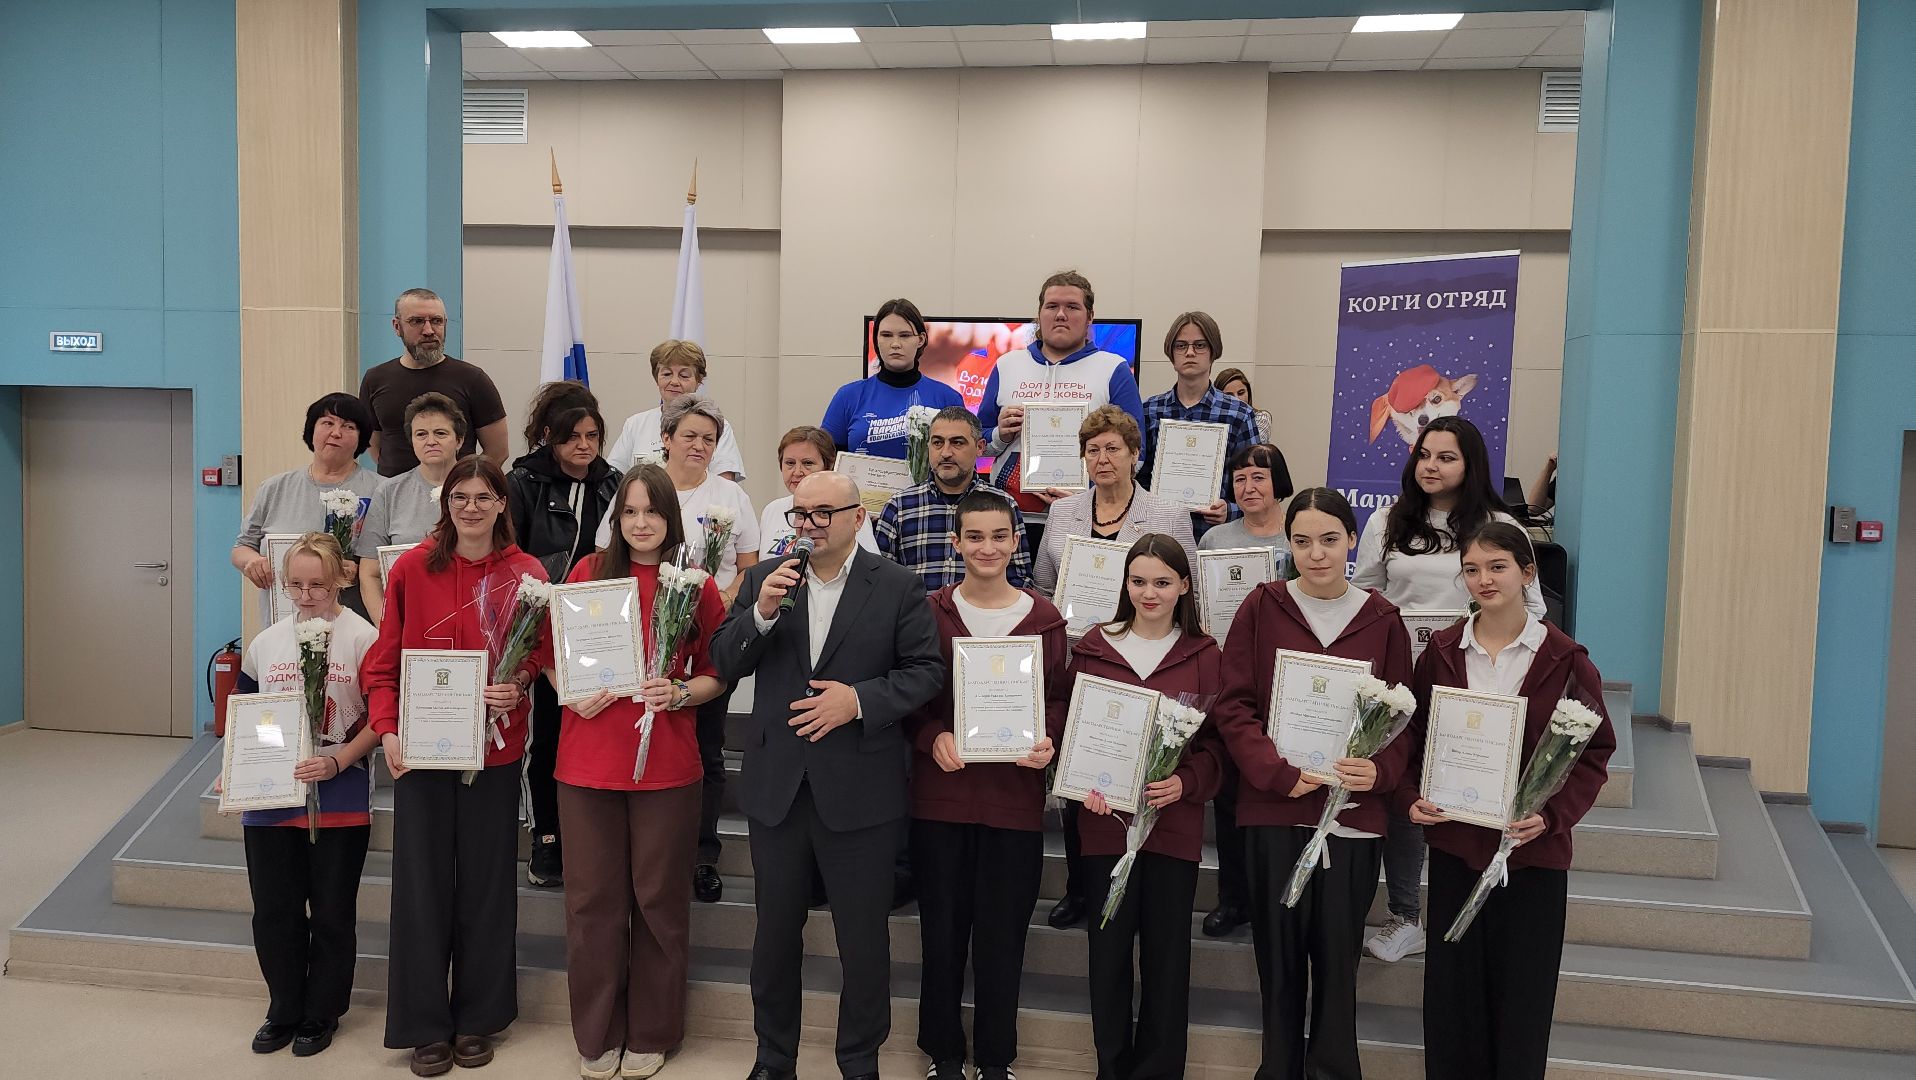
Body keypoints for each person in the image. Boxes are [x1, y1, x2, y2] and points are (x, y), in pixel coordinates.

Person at [711, 471, 944, 1080]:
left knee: (862, 941)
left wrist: (858, 701)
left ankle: (859, 1060)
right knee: (774, 936)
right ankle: (773, 1057)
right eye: (800, 514)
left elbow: (925, 672)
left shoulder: (896, 585)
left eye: (823, 513)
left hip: (861, 790)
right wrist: (760, 615)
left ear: (857, 518)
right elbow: (724, 660)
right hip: (778, 789)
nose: (809, 525)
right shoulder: (766, 580)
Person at [1212, 487, 1414, 1080]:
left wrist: (1381, 771)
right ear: (1289, 544)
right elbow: (1234, 704)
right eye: (1302, 542)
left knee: (1337, 958)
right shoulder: (1262, 606)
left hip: (1351, 817)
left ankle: (1333, 1070)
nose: (1317, 554)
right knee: (1277, 957)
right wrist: (1275, 772)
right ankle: (1277, 1069)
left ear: (1352, 540)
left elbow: (1405, 718)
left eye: (1329, 540)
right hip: (1275, 809)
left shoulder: (1383, 619)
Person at [1400, 522, 1614, 1080]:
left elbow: (1593, 753)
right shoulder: (1442, 652)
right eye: (1472, 569)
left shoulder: (1567, 660)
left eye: (1497, 567)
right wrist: (1411, 796)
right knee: (1452, 1001)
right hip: (1457, 849)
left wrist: (1552, 817)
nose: (1484, 580)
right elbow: (1414, 740)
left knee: (1522, 1003)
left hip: (1532, 858)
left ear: (1527, 572)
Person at [539, 465, 728, 1080]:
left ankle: (652, 1030)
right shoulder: (588, 574)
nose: (641, 523)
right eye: (630, 512)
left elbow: (717, 673)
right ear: (615, 518)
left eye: (653, 511)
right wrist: (569, 690)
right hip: (587, 765)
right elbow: (550, 657)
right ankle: (597, 1032)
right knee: (591, 904)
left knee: (658, 902)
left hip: (667, 768)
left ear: (671, 518)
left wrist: (679, 693)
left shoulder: (695, 583)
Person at [362, 457, 547, 1077]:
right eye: (459, 497)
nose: (471, 507)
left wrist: (518, 682)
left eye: (483, 496)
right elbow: (383, 662)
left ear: (502, 504)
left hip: (494, 752)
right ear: (446, 505)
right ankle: (423, 1023)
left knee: (487, 884)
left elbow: (540, 654)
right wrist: (387, 729)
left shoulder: (526, 574)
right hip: (422, 752)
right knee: (422, 886)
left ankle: (478, 1017)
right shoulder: (413, 568)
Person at [1352, 415, 1545, 964]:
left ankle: (1470, 907)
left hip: (1473, 681)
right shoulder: (1388, 520)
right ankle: (1405, 914)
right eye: (1424, 455)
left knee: (1460, 793)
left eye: (1446, 457)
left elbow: (1532, 607)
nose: (1431, 466)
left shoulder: (1497, 523)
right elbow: (1364, 595)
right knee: (1406, 794)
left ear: (1471, 464)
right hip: (1398, 684)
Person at [907, 489, 1068, 1080]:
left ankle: (996, 1058)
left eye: (999, 536)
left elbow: (1059, 699)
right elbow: (908, 697)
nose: (987, 548)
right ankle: (944, 1054)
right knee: (942, 934)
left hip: (1013, 804)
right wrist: (932, 738)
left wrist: (1048, 738)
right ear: (956, 543)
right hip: (941, 800)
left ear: (1016, 541)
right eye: (974, 537)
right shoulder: (928, 612)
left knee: (1003, 939)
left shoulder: (1044, 619)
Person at [1030, 405, 1195, 929]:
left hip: (1147, 661)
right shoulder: (1063, 514)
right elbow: (1044, 586)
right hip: (1082, 660)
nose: (1102, 458)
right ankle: (1082, 887)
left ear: (1134, 455)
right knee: (1081, 776)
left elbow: (1188, 586)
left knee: (1138, 771)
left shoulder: (1167, 513)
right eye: (1093, 449)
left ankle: (1138, 875)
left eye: (1113, 448)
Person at [1071, 534, 1224, 1080]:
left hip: (1173, 830)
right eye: (1138, 581)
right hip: (1103, 828)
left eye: (1162, 582)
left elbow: (1218, 747)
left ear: (1184, 586)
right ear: (1125, 584)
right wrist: (1080, 781)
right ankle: (1111, 1068)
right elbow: (1071, 728)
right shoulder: (1094, 646)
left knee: (1166, 960)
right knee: (1108, 956)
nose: (1149, 593)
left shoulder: (1205, 655)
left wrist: (1187, 781)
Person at [601, 394, 758, 905]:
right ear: (665, 438)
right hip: (634, 647)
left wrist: (715, 597)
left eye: (709, 439)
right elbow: (608, 562)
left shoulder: (731, 496)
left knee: (707, 750)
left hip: (702, 638)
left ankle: (702, 856)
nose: (699, 445)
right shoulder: (638, 488)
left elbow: (749, 566)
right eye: (689, 435)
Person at [228, 533, 380, 1059]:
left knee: (333, 912)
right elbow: (245, 713)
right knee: (274, 911)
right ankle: (284, 1007)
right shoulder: (266, 643)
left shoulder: (364, 638)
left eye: (317, 584)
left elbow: (380, 718)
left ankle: (322, 1011)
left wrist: (338, 760)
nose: (306, 595)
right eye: (295, 585)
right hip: (270, 802)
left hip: (340, 797)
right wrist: (236, 768)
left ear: (341, 580)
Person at [508, 385, 622, 889]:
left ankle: (591, 835)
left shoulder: (614, 483)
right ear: (549, 437)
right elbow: (511, 555)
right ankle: (546, 835)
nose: (584, 446)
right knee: (548, 735)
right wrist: (551, 591)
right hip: (542, 624)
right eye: (573, 437)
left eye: (592, 436)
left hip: (599, 626)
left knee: (594, 727)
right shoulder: (523, 482)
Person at [1195, 441, 1295, 938]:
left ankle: (1278, 898)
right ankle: (1233, 898)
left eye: (1259, 476)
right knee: (1231, 793)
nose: (1248, 486)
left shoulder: (1297, 537)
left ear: (1279, 482)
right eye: (1239, 478)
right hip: (1229, 677)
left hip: (1287, 680)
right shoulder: (1215, 539)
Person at [977, 270, 1145, 522]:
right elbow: (978, 444)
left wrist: (1090, 495)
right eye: (1052, 306)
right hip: (1010, 517)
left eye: (1072, 307)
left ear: (1090, 317)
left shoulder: (1113, 368)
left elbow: (1137, 452)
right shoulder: (1007, 365)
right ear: (1039, 315)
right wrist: (1000, 435)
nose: (1061, 314)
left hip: (1086, 516)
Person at [233, 392, 383, 623]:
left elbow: (394, 561)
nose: (336, 432)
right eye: (327, 423)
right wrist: (252, 562)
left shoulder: (381, 490)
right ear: (311, 430)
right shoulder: (274, 487)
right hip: (285, 621)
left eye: (348, 426)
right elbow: (242, 547)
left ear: (361, 438)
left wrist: (361, 569)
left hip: (356, 624)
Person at [875, 406, 1033, 592]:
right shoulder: (900, 507)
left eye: (957, 443)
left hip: (984, 610)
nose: (946, 453)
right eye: (937, 442)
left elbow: (1021, 581)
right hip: (917, 610)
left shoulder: (1004, 505)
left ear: (980, 447)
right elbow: (879, 582)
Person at [358, 288, 509, 475]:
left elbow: (498, 450)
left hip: (455, 491)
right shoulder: (375, 379)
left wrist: (466, 484)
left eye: (436, 321)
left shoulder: (473, 379)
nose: (429, 330)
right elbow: (374, 444)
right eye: (417, 321)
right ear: (397, 326)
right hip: (393, 490)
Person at [1140, 312, 1260, 537]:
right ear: (1171, 354)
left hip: (1215, 536)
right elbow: (1137, 477)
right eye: (1181, 346)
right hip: (1157, 536)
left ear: (1213, 352)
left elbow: (1256, 482)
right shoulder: (1149, 410)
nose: (1190, 352)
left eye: (1200, 345)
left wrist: (1230, 510)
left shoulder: (1240, 414)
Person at [357, 393, 467, 623]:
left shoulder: (481, 490)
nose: (431, 441)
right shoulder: (389, 492)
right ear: (412, 442)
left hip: (467, 617)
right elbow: (369, 573)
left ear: (459, 440)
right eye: (421, 434)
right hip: (405, 620)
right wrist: (387, 628)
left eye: (440, 433)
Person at [822, 298, 965, 459]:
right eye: (886, 335)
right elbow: (826, 461)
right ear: (876, 339)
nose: (895, 344)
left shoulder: (948, 398)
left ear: (921, 339)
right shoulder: (847, 396)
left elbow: (963, 463)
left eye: (905, 335)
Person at [606, 340, 748, 481]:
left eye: (684, 376)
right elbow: (613, 478)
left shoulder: (717, 426)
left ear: (698, 381)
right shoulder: (635, 424)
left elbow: (724, 483)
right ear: (656, 378)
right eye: (667, 374)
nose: (674, 382)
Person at [758, 426, 878, 558]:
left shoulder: (847, 507)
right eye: (790, 463)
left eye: (807, 463)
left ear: (828, 466)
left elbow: (867, 564)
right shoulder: (772, 510)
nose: (797, 472)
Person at [1213, 367, 1273, 445]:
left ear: (1248, 392)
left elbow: (1253, 447)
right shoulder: (1212, 418)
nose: (1237, 399)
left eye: (1241, 393)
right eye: (1229, 395)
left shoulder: (1261, 417)